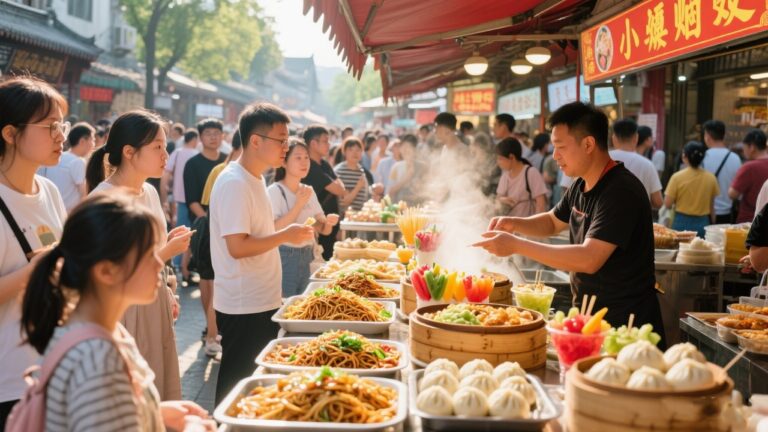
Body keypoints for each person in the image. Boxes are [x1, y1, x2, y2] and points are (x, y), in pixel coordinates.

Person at [473, 101, 666, 348]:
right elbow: (553, 222)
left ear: (588, 144)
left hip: (626, 327)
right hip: (590, 317)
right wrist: (514, 223)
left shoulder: (621, 191)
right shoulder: (580, 183)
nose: (555, 156)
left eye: (560, 147)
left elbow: (589, 258)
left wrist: (516, 245)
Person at [20, 193, 215, 431]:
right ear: (106, 272)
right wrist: (193, 428)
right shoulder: (97, 358)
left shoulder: (99, 332)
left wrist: (154, 412)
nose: (159, 263)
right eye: (148, 254)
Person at [209, 102, 314, 404]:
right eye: (281, 140)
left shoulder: (254, 178)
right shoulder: (234, 182)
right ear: (256, 140)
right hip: (244, 304)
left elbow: (257, 234)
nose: (286, 147)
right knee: (237, 387)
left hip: (260, 298)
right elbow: (237, 246)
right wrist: (285, 235)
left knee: (253, 386)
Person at [85, 109, 190, 400]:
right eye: (157, 147)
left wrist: (168, 289)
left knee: (157, 386)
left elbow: (150, 250)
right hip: (122, 311)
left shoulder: (150, 192)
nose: (165, 155)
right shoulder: (103, 199)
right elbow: (107, 271)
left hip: (153, 299)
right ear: (129, 152)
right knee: (133, 394)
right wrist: (167, 250)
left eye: (166, 146)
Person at [0, 77, 68, 428]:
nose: (61, 136)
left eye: (62, 125)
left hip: (51, 365)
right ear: (10, 133)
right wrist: (35, 270)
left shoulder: (50, 190)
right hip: (7, 381)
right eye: (50, 126)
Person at [268, 139, 339, 297]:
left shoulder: (308, 190)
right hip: (285, 257)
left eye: (306, 157)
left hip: (309, 255)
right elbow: (274, 228)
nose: (304, 162)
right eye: (298, 157)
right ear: (284, 163)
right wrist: (298, 205)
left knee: (307, 306)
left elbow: (323, 230)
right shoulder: (274, 191)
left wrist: (329, 223)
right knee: (286, 307)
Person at [302, 125, 346, 260]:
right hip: (319, 224)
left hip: (330, 223)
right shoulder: (312, 168)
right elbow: (338, 188)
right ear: (314, 144)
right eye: (326, 141)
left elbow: (341, 188)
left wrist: (337, 184)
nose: (329, 144)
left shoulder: (324, 164)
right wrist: (337, 184)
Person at [162, 128, 199, 275]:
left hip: (179, 197)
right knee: (193, 232)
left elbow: (166, 173)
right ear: (195, 139)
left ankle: (177, 264)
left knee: (179, 230)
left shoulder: (177, 153)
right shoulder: (197, 155)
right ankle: (187, 263)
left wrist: (164, 195)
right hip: (195, 199)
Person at [664, 142, 719, 237]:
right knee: (699, 250)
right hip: (702, 223)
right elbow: (712, 207)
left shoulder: (677, 177)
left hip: (680, 223)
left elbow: (667, 204)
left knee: (680, 250)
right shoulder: (711, 178)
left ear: (685, 157)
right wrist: (713, 224)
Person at [38, 122, 94, 210]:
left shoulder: (57, 157)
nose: (93, 144)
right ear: (82, 141)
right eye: (92, 139)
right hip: (68, 216)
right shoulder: (77, 162)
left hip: (52, 210)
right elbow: (84, 194)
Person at [609, 119, 663, 209]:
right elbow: (658, 202)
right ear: (636, 138)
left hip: (604, 220)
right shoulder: (647, 165)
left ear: (614, 138)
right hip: (638, 220)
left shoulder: (601, 160)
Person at [495, 137, 549, 217]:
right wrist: (502, 200)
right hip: (510, 226)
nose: (498, 163)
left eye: (500, 159)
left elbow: (541, 205)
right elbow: (497, 199)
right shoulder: (505, 176)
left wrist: (536, 226)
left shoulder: (531, 173)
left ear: (511, 157)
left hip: (528, 226)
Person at [701, 120, 741, 223]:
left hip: (705, 213)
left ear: (708, 136)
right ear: (723, 135)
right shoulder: (735, 158)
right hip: (727, 213)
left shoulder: (703, 157)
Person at [729, 129, 768, 223]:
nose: (743, 151)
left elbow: (732, 194)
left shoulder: (749, 167)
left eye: (744, 147)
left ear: (752, 147)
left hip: (749, 219)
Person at [334, 137, 370, 214]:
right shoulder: (339, 171)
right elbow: (344, 201)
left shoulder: (361, 170)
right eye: (351, 150)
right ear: (344, 152)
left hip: (360, 217)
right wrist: (358, 187)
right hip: (345, 219)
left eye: (358, 150)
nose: (355, 153)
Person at [388, 134, 422, 203]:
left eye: (409, 147)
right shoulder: (396, 167)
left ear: (415, 150)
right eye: (404, 147)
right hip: (399, 208)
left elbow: (428, 191)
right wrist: (406, 178)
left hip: (418, 208)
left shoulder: (422, 167)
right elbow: (390, 192)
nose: (406, 150)